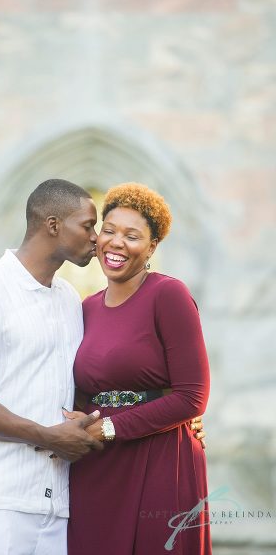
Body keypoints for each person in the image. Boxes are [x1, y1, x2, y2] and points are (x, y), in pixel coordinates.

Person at [0, 179, 106, 555]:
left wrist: (174, 416)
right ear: (54, 224)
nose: (96, 237)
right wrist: (45, 435)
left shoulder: (69, 299)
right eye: (88, 225)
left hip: (56, 503)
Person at [67, 183, 211, 554]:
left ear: (151, 247)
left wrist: (111, 427)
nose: (116, 243)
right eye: (110, 230)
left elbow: (193, 396)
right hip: (96, 463)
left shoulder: (168, 294)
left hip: (160, 456)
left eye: (132, 236)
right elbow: (81, 389)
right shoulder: (85, 307)